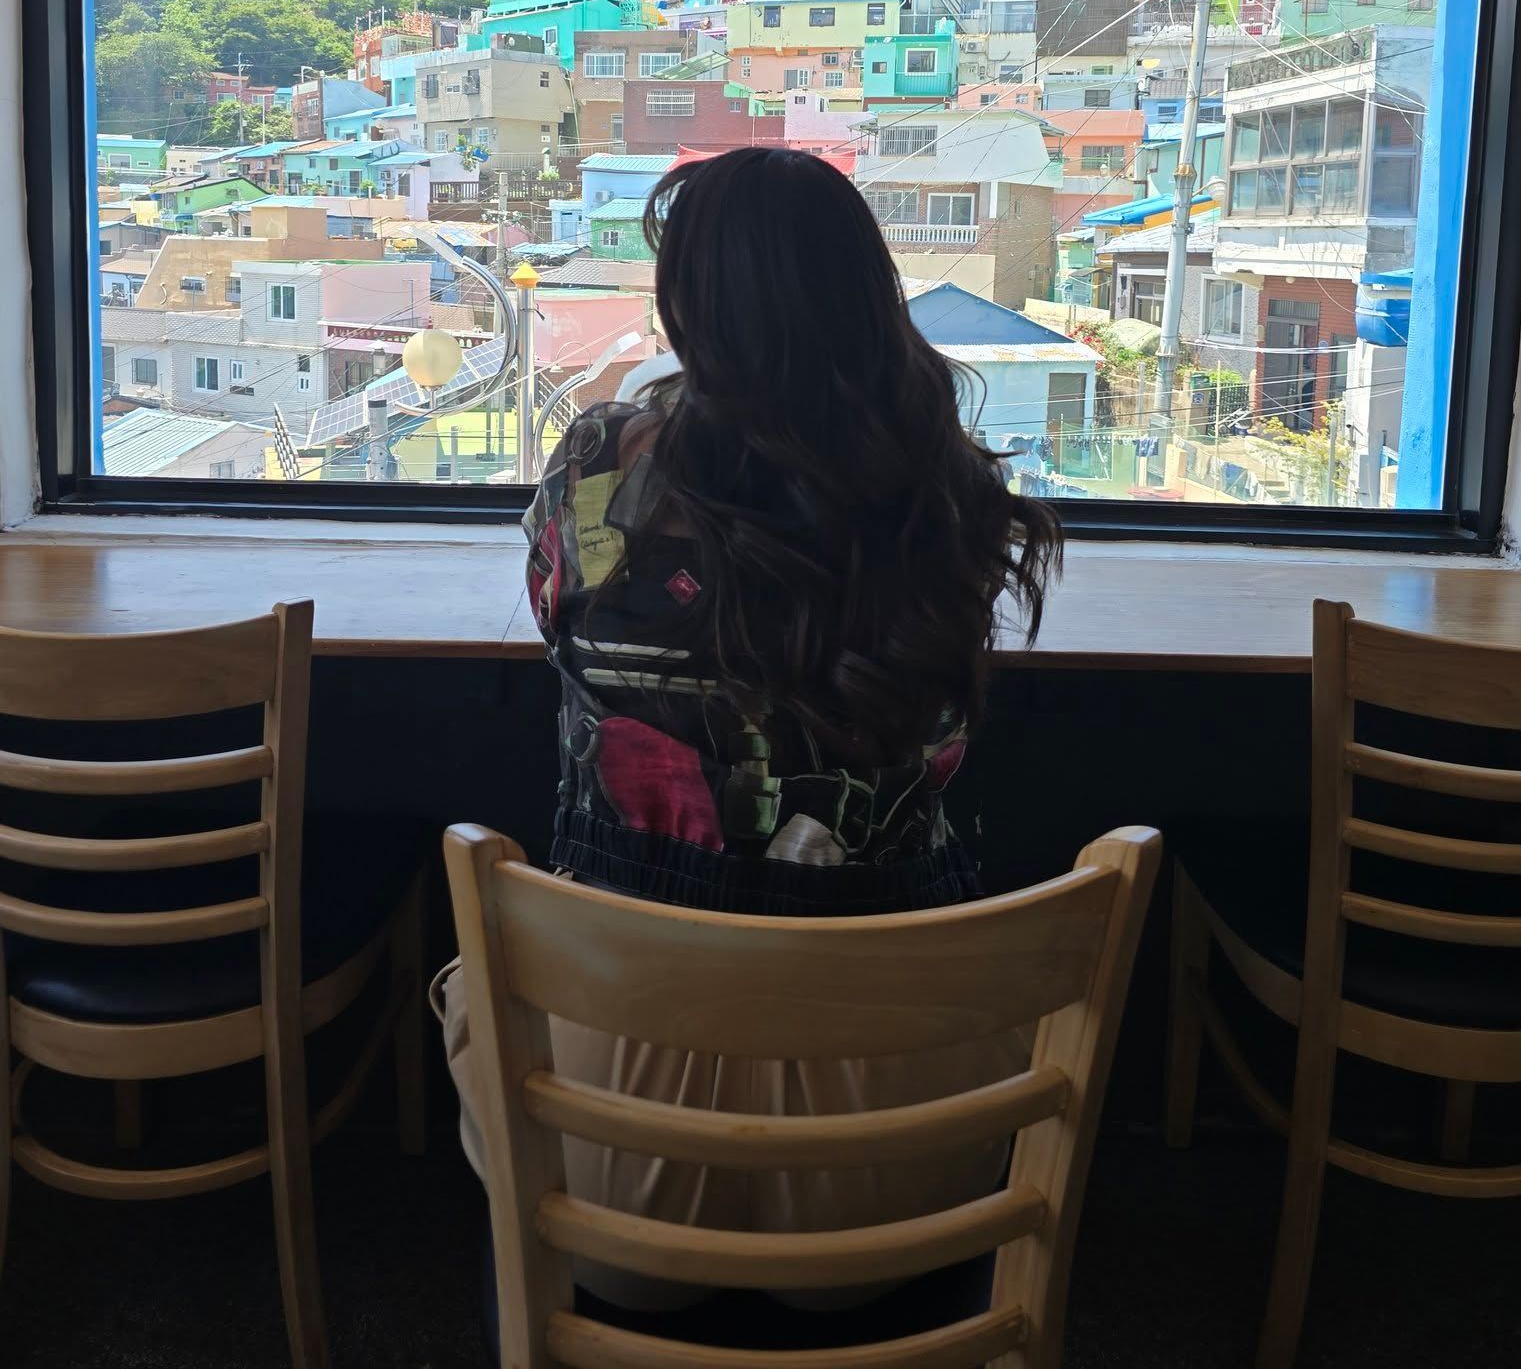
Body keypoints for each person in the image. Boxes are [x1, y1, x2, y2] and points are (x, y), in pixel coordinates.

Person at [438, 146, 1060, 1311]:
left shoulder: (599, 468)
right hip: (900, 1149)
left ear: (690, 307)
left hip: (617, 1141)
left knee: (471, 980)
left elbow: (557, 619)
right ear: (868, 297)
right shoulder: (955, 505)